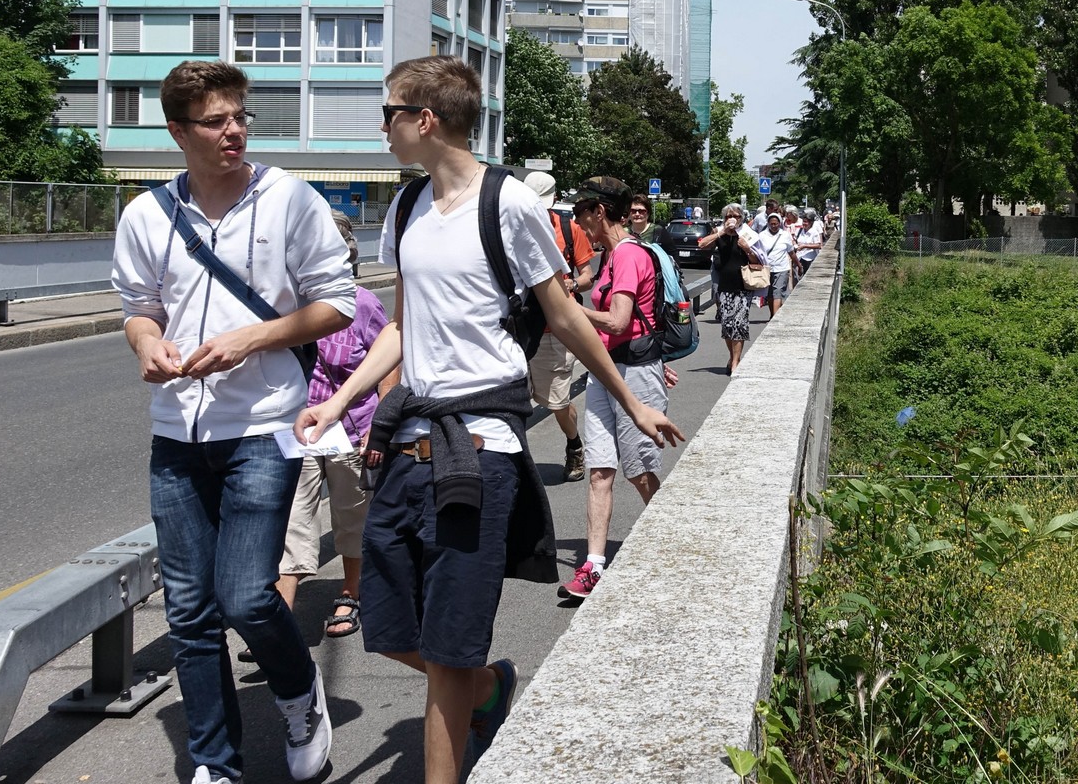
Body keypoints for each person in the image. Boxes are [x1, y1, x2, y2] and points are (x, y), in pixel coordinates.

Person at [294, 56, 682, 784]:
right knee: (383, 624)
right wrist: (340, 401)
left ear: (426, 119)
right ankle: (491, 688)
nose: (383, 126)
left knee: (446, 652)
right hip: (405, 441)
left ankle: (462, 715)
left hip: (481, 448)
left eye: (390, 113)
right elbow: (404, 328)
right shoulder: (406, 210)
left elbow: (564, 316)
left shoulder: (508, 204)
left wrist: (632, 401)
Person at [111, 60, 352, 784]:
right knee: (188, 610)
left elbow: (335, 304)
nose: (236, 131)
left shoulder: (290, 200)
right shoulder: (147, 214)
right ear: (178, 131)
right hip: (177, 431)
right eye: (217, 120)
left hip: (263, 425)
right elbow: (139, 308)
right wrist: (149, 345)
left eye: (241, 115)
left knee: (247, 593)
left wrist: (252, 338)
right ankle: (216, 764)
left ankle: (299, 696)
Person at [271, 211, 386, 644]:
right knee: (291, 520)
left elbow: (388, 361)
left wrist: (379, 423)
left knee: (351, 517)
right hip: (295, 430)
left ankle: (350, 592)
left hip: (352, 427)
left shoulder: (361, 304)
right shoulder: (286, 306)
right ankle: (280, 614)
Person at [563, 177, 672, 599]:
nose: (578, 223)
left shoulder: (627, 256)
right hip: (605, 370)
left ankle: (670, 540)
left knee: (640, 471)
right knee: (600, 470)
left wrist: (568, 310)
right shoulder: (610, 257)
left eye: (581, 214)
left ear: (600, 212)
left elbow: (619, 321)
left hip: (635, 373)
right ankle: (593, 565)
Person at [522, 172, 595, 483]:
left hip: (555, 330)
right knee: (509, 402)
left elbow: (587, 274)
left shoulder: (568, 228)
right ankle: (515, 464)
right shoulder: (513, 226)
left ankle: (574, 443)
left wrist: (572, 284)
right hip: (516, 328)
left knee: (557, 402)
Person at [697, 203, 765, 374]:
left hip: (743, 286)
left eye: (735, 216)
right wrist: (721, 232)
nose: (731, 219)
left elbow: (759, 261)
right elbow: (702, 245)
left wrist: (747, 249)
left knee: (739, 323)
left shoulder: (748, 235)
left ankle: (735, 362)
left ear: (741, 218)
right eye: (728, 216)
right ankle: (732, 356)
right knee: (727, 325)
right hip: (724, 285)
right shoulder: (720, 233)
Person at [755, 210, 796, 318]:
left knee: (777, 292)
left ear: (780, 224)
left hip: (781, 268)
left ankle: (775, 318)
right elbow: (758, 252)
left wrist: (798, 264)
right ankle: (772, 314)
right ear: (768, 224)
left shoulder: (785, 235)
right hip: (767, 268)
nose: (774, 226)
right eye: (771, 224)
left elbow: (791, 251)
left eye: (776, 223)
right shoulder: (762, 235)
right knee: (769, 294)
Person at [796, 209, 825, 274]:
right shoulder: (800, 231)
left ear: (811, 223)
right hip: (799, 258)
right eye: (803, 221)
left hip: (809, 259)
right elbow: (795, 240)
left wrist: (804, 246)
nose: (804, 223)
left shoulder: (814, 233)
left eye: (806, 222)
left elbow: (818, 245)